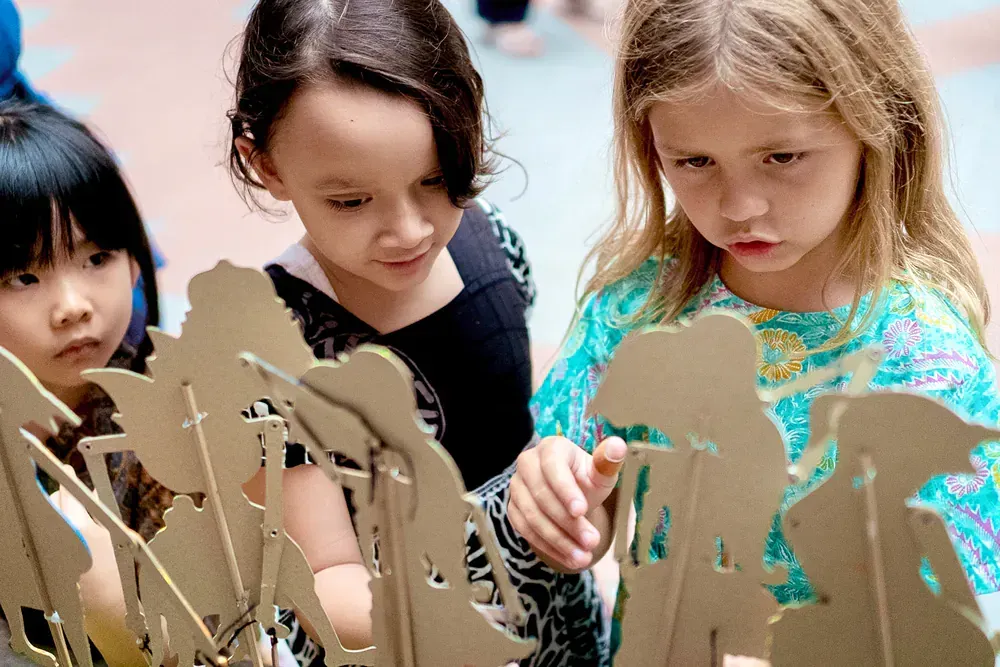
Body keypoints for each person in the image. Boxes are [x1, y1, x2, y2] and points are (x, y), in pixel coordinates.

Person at [508, 0, 1000, 663]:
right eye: (694, 162)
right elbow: (589, 517)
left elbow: (940, 613)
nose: (739, 206)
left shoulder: (934, 363)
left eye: (783, 155)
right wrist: (560, 506)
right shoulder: (633, 314)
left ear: (876, 122)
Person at [228, 0, 555, 663]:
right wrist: (443, 620)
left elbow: (523, 399)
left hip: (545, 601)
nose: (409, 230)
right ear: (265, 164)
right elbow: (321, 575)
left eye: (438, 180)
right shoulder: (272, 346)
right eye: (351, 201)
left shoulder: (492, 240)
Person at [0, 100, 172, 665]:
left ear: (135, 263)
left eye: (97, 257)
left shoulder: (164, 417)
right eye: (25, 276)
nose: (72, 307)